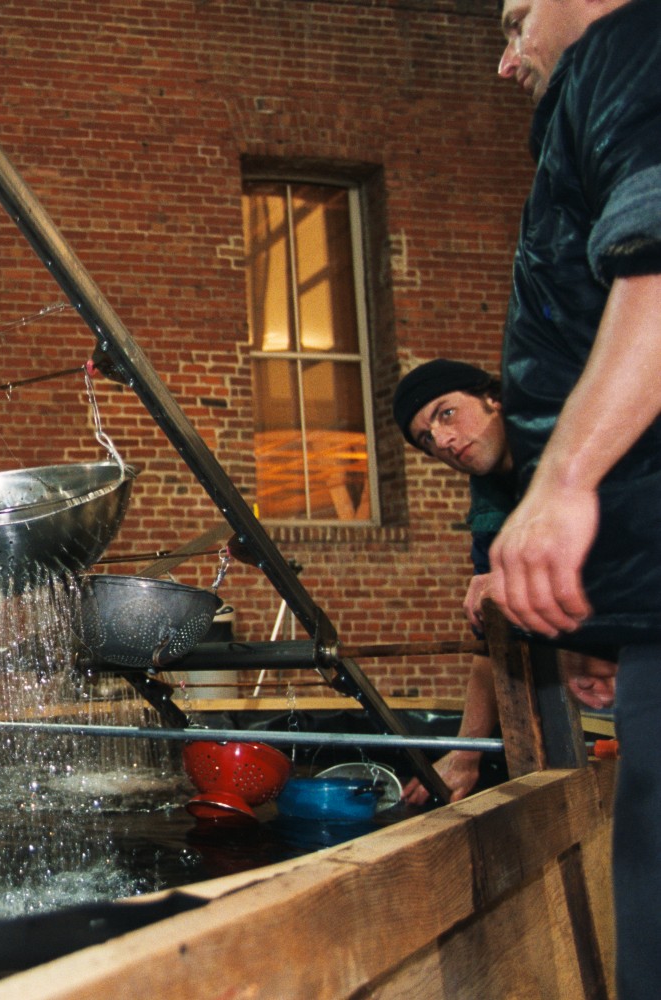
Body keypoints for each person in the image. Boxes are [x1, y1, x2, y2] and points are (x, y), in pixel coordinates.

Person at [488, 1, 661, 995]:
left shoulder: (628, 48)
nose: (508, 60)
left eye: (516, 21)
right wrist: (612, 611)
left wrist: (564, 480)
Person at [393, 360, 616, 804]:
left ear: (492, 398)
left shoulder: (571, 439)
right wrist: (465, 754)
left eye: (446, 413)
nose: (442, 441)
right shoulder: (492, 512)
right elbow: (491, 639)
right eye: (426, 439)